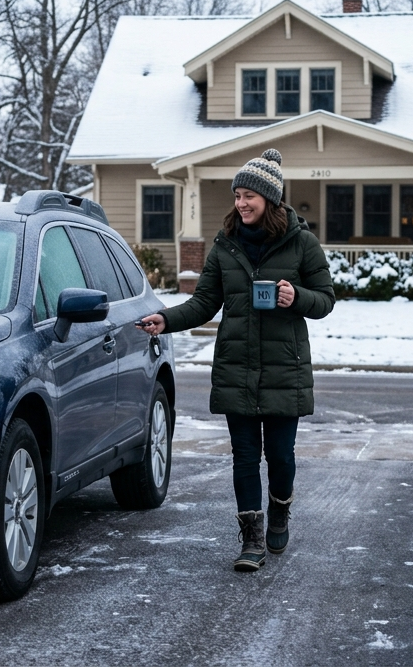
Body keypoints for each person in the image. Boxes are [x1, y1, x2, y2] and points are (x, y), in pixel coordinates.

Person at [138, 148, 334, 572]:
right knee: (244, 456)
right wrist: (165, 320)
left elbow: (326, 300)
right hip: (237, 366)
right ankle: (251, 538)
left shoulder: (302, 244)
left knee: (281, 456)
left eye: (250, 196)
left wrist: (296, 296)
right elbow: (204, 303)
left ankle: (280, 507)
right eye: (238, 195)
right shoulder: (225, 247)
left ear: (271, 199)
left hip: (285, 368)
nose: (241, 203)